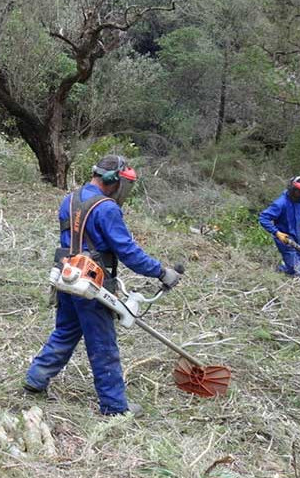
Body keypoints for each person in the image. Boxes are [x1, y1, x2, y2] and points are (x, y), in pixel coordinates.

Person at [23, 154, 183, 416]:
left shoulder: (70, 199)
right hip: (91, 283)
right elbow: (127, 251)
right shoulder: (107, 208)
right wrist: (161, 272)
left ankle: (36, 378)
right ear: (114, 180)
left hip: (67, 275)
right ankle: (115, 407)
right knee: (103, 346)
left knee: (65, 331)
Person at [258, 176, 300, 278]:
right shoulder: (280, 203)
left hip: (298, 237)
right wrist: (277, 233)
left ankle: (281, 270)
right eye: (299, 191)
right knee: (298, 271)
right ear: (292, 189)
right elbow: (263, 218)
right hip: (285, 239)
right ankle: (284, 275)